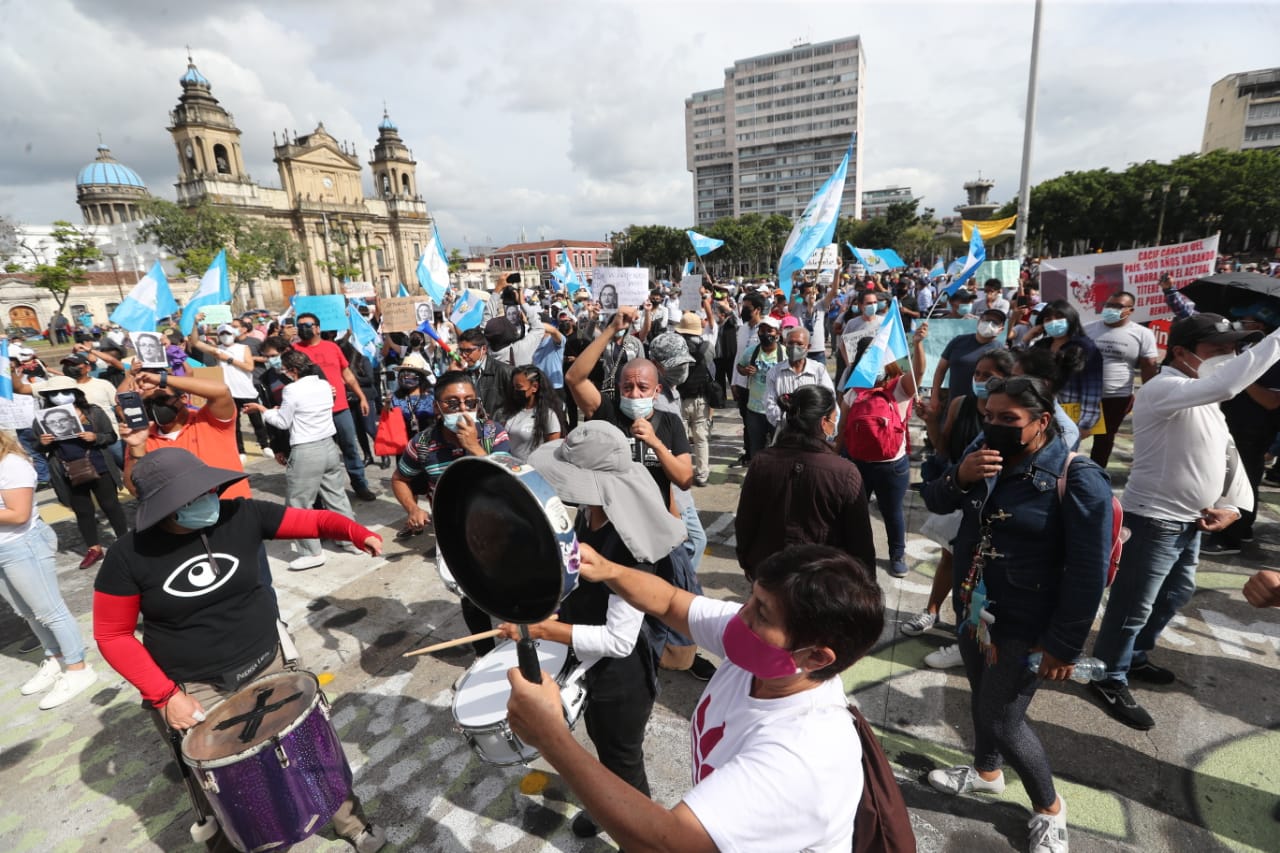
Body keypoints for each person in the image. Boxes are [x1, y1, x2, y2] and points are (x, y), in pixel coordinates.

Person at [92, 448, 387, 853]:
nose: (208, 498)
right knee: (235, 790)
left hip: (270, 662)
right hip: (195, 690)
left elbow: (315, 519)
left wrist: (357, 532)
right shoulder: (127, 557)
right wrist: (164, 696)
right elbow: (113, 635)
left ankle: (352, 824)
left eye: (208, 488)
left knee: (310, 753)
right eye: (192, 496)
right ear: (163, 507)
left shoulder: (242, 515)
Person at [506, 542, 884, 851]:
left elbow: (667, 846)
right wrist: (609, 570)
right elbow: (671, 602)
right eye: (750, 599)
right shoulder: (766, 655)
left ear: (816, 657)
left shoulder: (802, 757)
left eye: (761, 614)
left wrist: (551, 737)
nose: (740, 617)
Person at [923, 374, 1114, 853]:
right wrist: (959, 476)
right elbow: (935, 499)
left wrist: (1062, 645)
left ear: (1042, 421)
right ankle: (987, 772)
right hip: (973, 609)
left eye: (1009, 419)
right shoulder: (984, 458)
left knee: (1005, 719)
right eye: (989, 417)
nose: (994, 426)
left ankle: (1050, 809)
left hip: (1026, 625)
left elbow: (1087, 573)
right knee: (981, 695)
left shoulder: (1078, 476)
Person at [1089, 314, 1279, 730]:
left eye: (1235, 347)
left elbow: (1225, 452)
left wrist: (1232, 506)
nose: (1230, 355)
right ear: (1180, 351)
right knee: (1133, 605)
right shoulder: (1164, 388)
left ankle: (1133, 657)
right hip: (1154, 520)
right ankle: (1107, 674)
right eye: (1219, 348)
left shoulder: (1201, 396)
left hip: (1191, 522)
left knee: (1175, 595)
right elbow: (1228, 383)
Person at [516, 422, 691, 837]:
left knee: (624, 760)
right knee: (602, 744)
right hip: (592, 667)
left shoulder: (629, 546)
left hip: (622, 678)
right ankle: (604, 807)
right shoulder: (590, 518)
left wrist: (544, 631)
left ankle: (644, 836)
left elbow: (618, 639)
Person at [909, 349, 1017, 664]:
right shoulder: (960, 404)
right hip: (958, 494)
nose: (980, 380)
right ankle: (932, 611)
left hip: (994, 507)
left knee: (984, 573)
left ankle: (970, 637)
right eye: (977, 374)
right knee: (951, 558)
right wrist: (931, 421)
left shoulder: (1013, 414)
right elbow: (942, 448)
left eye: (989, 375)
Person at [390, 371, 510, 645]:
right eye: (453, 404)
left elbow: (508, 478)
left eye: (470, 402)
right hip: (453, 532)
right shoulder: (422, 444)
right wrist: (412, 508)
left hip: (497, 526)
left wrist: (473, 446)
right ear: (437, 408)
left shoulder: (494, 434)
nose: (463, 409)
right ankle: (483, 652)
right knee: (471, 595)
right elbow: (399, 479)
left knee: (508, 588)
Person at [0, 430, 97, 709]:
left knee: (49, 610)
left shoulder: (11, 464)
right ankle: (55, 657)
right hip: (5, 548)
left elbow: (18, 514)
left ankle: (78, 668)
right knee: (26, 612)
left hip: (21, 545)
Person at [736, 384, 875, 577]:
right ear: (823, 423)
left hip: (768, 574)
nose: (836, 424)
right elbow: (860, 543)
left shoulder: (761, 461)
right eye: (834, 419)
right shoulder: (845, 473)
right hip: (819, 582)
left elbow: (745, 523)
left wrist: (748, 563)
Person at [567, 306, 693, 513]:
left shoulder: (671, 422)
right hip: (614, 521)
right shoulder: (608, 414)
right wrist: (611, 329)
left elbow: (684, 479)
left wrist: (656, 444)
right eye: (628, 387)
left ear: (657, 390)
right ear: (619, 388)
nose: (634, 394)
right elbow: (574, 378)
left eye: (643, 388)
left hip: (655, 522)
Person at [244, 350, 359, 571]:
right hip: (328, 446)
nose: (283, 373)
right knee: (336, 497)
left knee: (298, 504)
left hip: (306, 450)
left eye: (285, 369)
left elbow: (283, 422)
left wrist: (263, 410)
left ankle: (311, 552)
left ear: (293, 371)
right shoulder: (324, 385)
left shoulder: (291, 389)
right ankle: (350, 538)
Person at [840, 324, 927, 578]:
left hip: (892, 465)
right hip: (856, 462)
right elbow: (843, 425)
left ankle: (897, 555)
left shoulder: (900, 388)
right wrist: (835, 454)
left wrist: (918, 344)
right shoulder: (854, 390)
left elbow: (920, 372)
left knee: (892, 512)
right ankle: (855, 554)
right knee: (855, 512)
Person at [35, 387, 129, 570]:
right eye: (53, 393)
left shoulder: (93, 412)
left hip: (99, 465)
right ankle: (94, 549)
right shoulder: (41, 418)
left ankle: (124, 542)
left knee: (111, 505)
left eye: (64, 391)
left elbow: (111, 436)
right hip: (68, 470)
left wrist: (96, 437)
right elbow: (37, 447)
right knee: (83, 511)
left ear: (75, 393)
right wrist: (42, 443)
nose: (59, 396)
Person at [291, 313, 376, 502]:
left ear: (318, 328)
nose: (303, 328)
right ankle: (322, 492)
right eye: (300, 325)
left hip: (340, 408)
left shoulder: (332, 348)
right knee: (320, 452)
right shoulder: (294, 351)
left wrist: (361, 397)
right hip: (313, 412)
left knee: (350, 447)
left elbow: (347, 375)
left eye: (308, 325)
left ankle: (360, 484)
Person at [1083, 291, 1159, 467]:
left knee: (1104, 439)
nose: (1111, 309)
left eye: (1118, 306)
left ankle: (1094, 475)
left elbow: (1149, 365)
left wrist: (1149, 396)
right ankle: (1065, 475)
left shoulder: (1143, 333)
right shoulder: (1087, 329)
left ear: (1130, 310)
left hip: (1117, 397)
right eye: (1109, 305)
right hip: (1085, 395)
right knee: (1072, 435)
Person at [188, 319, 272, 458]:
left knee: (256, 419)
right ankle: (240, 450)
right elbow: (196, 342)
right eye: (222, 334)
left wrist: (229, 359)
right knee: (234, 422)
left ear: (233, 334)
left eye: (227, 332)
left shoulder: (243, 348)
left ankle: (265, 446)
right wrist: (195, 324)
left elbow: (249, 367)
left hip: (245, 389)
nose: (225, 335)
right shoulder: (217, 350)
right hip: (229, 391)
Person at [1031, 300, 1103, 435]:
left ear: (1071, 318)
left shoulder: (1085, 348)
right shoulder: (1041, 345)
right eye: (1048, 319)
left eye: (1059, 317)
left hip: (1069, 418)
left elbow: (1092, 389)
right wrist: (1026, 339)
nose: (1053, 322)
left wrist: (1085, 425)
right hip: (1038, 413)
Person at [928, 307, 1005, 429]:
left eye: (995, 323)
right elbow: (941, 369)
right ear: (979, 321)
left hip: (983, 410)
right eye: (986, 320)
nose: (989, 324)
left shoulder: (1000, 350)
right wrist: (935, 395)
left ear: (1001, 329)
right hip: (954, 404)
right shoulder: (958, 341)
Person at [673, 311, 717, 487]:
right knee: (701, 439)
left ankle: (681, 472)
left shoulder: (676, 348)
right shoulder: (708, 347)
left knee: (680, 440)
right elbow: (712, 372)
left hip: (680, 399)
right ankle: (702, 474)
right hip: (701, 399)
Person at [764, 325, 834, 428]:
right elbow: (770, 406)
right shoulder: (774, 372)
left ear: (808, 347)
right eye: (790, 343)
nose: (794, 347)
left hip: (812, 431)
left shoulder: (819, 371)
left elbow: (828, 400)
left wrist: (809, 421)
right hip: (786, 432)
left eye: (799, 344)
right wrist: (790, 421)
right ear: (785, 344)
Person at [736, 315, 782, 461]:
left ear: (778, 334)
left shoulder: (785, 354)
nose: (766, 334)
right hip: (755, 410)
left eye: (770, 330)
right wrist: (745, 371)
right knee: (756, 448)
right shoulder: (751, 352)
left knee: (778, 449)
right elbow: (739, 366)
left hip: (777, 410)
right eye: (762, 330)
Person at [497, 365, 565, 462]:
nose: (515, 391)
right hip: (510, 469)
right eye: (513, 387)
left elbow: (552, 451)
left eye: (519, 387)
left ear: (534, 387)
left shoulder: (548, 415)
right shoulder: (509, 412)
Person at [455, 328, 515, 416]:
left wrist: (496, 420)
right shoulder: (461, 373)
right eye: (461, 351)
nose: (463, 355)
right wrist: (452, 375)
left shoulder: (505, 372)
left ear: (483, 349)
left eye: (468, 351)